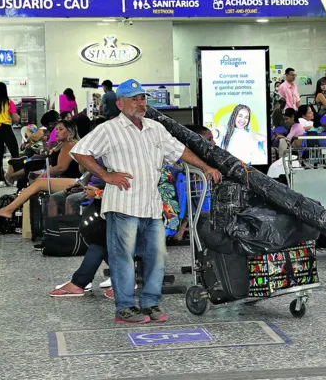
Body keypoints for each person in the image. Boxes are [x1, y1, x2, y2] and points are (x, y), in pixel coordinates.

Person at [70, 78, 221, 325]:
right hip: (123, 204)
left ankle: (150, 303)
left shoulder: (155, 128)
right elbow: (79, 150)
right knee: (123, 258)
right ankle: (125, 308)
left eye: (142, 98)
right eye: (134, 99)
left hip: (152, 205)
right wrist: (106, 175)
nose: (140, 103)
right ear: (120, 104)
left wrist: (206, 167)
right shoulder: (109, 129)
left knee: (158, 257)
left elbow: (180, 151)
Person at [0, 120, 82, 219]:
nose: (57, 132)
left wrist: (44, 174)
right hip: (64, 176)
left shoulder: (69, 145)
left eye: (61, 129)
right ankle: (27, 212)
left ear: (70, 132)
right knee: (32, 175)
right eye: (56, 129)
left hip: (73, 179)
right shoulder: (62, 144)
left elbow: (61, 168)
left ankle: (9, 209)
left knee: (39, 183)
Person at [0, 82, 20, 188]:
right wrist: (18, 118)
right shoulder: (8, 102)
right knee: (15, 153)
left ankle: (0, 180)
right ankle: (15, 178)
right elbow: (15, 118)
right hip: (5, 128)